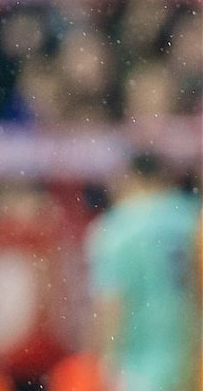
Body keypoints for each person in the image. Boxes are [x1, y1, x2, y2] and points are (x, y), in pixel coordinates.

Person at [85, 153, 200, 391]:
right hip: (195, 357)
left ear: (129, 179)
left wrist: (108, 360)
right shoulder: (194, 217)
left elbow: (112, 304)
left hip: (143, 365)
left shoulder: (116, 228)